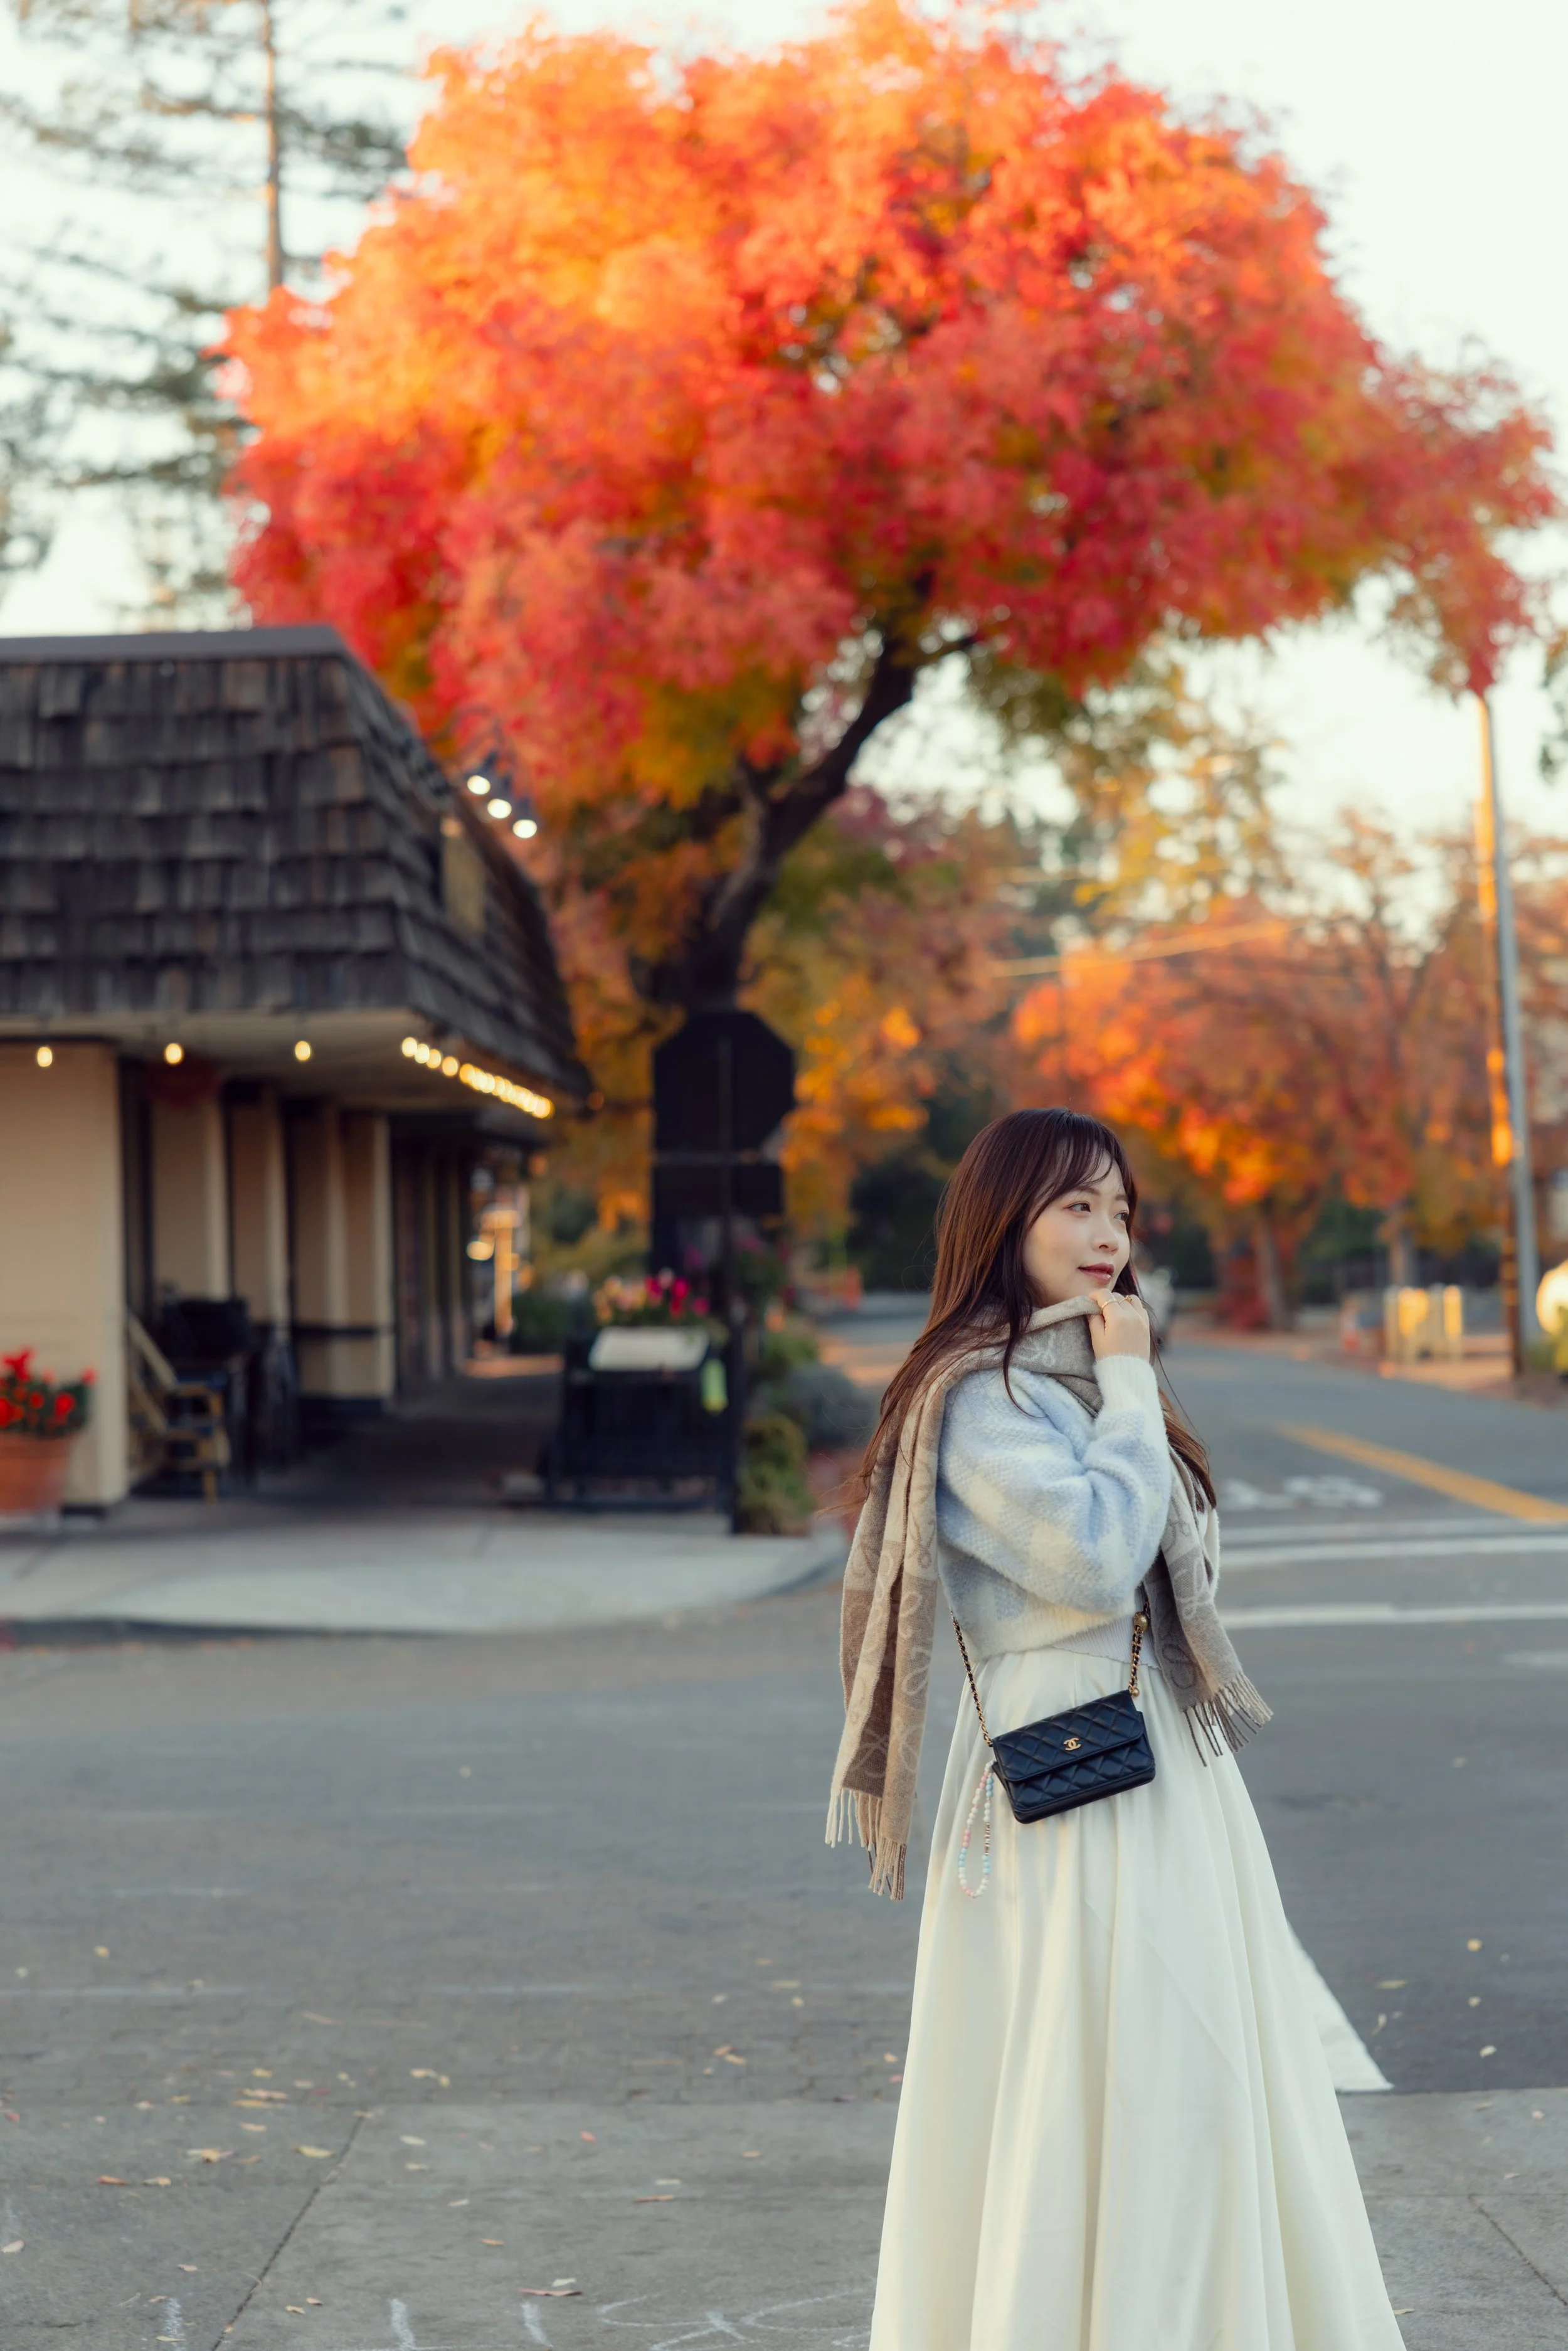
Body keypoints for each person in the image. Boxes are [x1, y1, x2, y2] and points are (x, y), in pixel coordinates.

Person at [829, 1107, 1404, 2350]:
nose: (1107, 1235)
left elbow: (1171, 1548)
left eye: (1120, 1209)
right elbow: (1093, 1555)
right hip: (1069, 1760)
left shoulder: (1077, 1374)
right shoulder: (973, 1396)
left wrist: (1124, 1385)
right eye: (1074, 1207)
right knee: (1109, 2064)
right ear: (1004, 1220)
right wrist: (1132, 1383)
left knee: (1191, 2069)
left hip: (1162, 1756)